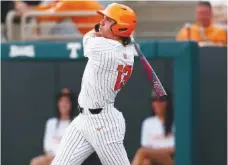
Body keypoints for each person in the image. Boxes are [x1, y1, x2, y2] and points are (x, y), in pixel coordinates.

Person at [51, 3, 137, 165]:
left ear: (120, 28)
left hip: (104, 123)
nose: (102, 22)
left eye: (108, 20)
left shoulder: (104, 48)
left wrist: (98, 28)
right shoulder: (127, 50)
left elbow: (87, 38)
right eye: (103, 19)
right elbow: (120, 42)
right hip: (84, 119)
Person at [30, 89, 76, 165]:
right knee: (35, 162)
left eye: (67, 101)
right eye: (61, 101)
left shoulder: (75, 122)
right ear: (58, 104)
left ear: (71, 104)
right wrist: (51, 156)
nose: (63, 104)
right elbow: (47, 144)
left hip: (67, 159)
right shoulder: (51, 122)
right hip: (50, 157)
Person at [132, 89, 175, 165]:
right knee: (146, 162)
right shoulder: (148, 123)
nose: (157, 104)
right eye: (154, 100)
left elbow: (176, 149)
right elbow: (146, 147)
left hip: (171, 160)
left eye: (160, 100)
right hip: (153, 160)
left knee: (142, 152)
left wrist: (156, 152)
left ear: (167, 103)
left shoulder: (176, 123)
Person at [15, 0, 104, 35]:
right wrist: (28, 9)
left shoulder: (69, 2)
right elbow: (51, 8)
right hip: (101, 35)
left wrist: (27, 11)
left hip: (102, 38)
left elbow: (47, 16)